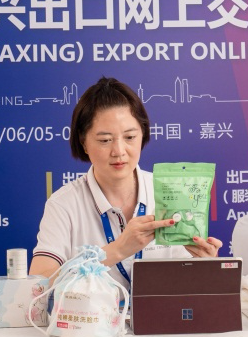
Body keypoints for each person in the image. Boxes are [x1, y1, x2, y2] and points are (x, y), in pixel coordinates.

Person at [31, 77, 222, 286]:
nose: (119, 151)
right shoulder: (64, 204)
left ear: (143, 134)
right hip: (91, 309)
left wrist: (205, 265)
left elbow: (190, 286)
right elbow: (38, 284)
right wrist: (118, 250)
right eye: (105, 140)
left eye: (130, 137)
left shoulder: (171, 193)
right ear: (83, 142)